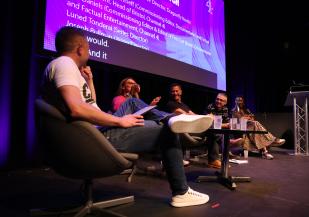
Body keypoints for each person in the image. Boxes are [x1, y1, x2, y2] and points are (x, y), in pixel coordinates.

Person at [40, 26, 213, 207]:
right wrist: (119, 120)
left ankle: (171, 119)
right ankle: (181, 191)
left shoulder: (63, 66)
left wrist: (89, 80)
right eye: (89, 48)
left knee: (139, 108)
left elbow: (90, 104)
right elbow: (76, 109)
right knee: (167, 132)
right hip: (94, 139)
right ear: (80, 48)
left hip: (92, 134)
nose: (89, 52)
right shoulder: (64, 64)